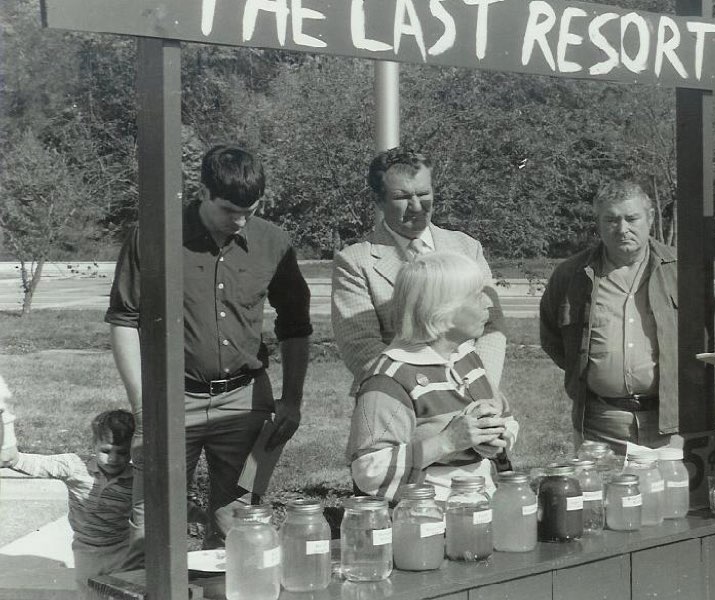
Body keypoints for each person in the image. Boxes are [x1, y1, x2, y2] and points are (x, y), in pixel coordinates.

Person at [105, 145, 312, 557]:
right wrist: (145, 407)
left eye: (249, 211)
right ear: (201, 191)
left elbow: (295, 325)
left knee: (238, 526)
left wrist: (292, 399)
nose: (238, 221)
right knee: (154, 528)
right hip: (170, 400)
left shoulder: (274, 242)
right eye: (227, 209)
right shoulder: (153, 234)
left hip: (244, 403)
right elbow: (124, 319)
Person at [540, 180, 715, 455]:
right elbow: (553, 340)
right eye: (611, 220)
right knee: (602, 497)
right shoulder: (571, 275)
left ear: (649, 218)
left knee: (668, 498)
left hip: (670, 425)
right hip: (600, 425)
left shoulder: (685, 271)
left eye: (631, 218)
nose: (622, 229)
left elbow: (712, 337)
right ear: (598, 223)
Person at [346, 252, 518, 501]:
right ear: (442, 310)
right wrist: (447, 442)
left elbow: (507, 419)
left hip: (482, 506)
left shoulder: (465, 357)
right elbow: (369, 472)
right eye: (476, 296)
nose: (487, 304)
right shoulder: (390, 379)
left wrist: (496, 439)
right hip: (426, 521)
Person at [331, 146, 505, 391]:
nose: (416, 206)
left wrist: (482, 388)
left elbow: (492, 324)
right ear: (378, 200)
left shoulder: (467, 247)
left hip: (476, 396)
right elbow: (360, 346)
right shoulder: (355, 262)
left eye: (423, 193)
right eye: (402, 197)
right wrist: (430, 395)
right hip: (400, 401)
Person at [1, 409, 135, 596]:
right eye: (105, 451)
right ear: (93, 444)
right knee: (90, 593)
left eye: (122, 452)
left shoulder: (137, 477)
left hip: (122, 549)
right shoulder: (75, 466)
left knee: (125, 593)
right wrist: (7, 434)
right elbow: (25, 462)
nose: (113, 459)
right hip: (86, 550)